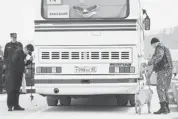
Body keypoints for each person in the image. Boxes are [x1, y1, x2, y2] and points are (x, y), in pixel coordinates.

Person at [147, 37, 173, 114]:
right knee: (165, 89)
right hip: (169, 70)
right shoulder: (164, 47)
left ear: (154, 43)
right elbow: (160, 60)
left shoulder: (159, 47)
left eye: (152, 45)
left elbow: (159, 56)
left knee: (160, 88)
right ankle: (167, 108)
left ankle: (163, 108)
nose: (153, 47)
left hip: (164, 70)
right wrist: (153, 70)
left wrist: (150, 62)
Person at [6, 44, 34, 111]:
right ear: (26, 48)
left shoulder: (23, 54)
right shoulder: (18, 52)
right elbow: (15, 62)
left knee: (17, 90)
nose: (28, 53)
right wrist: (23, 68)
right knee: (12, 90)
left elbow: (23, 63)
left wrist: (30, 61)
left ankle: (16, 105)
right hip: (13, 74)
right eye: (29, 51)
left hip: (18, 74)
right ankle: (10, 106)